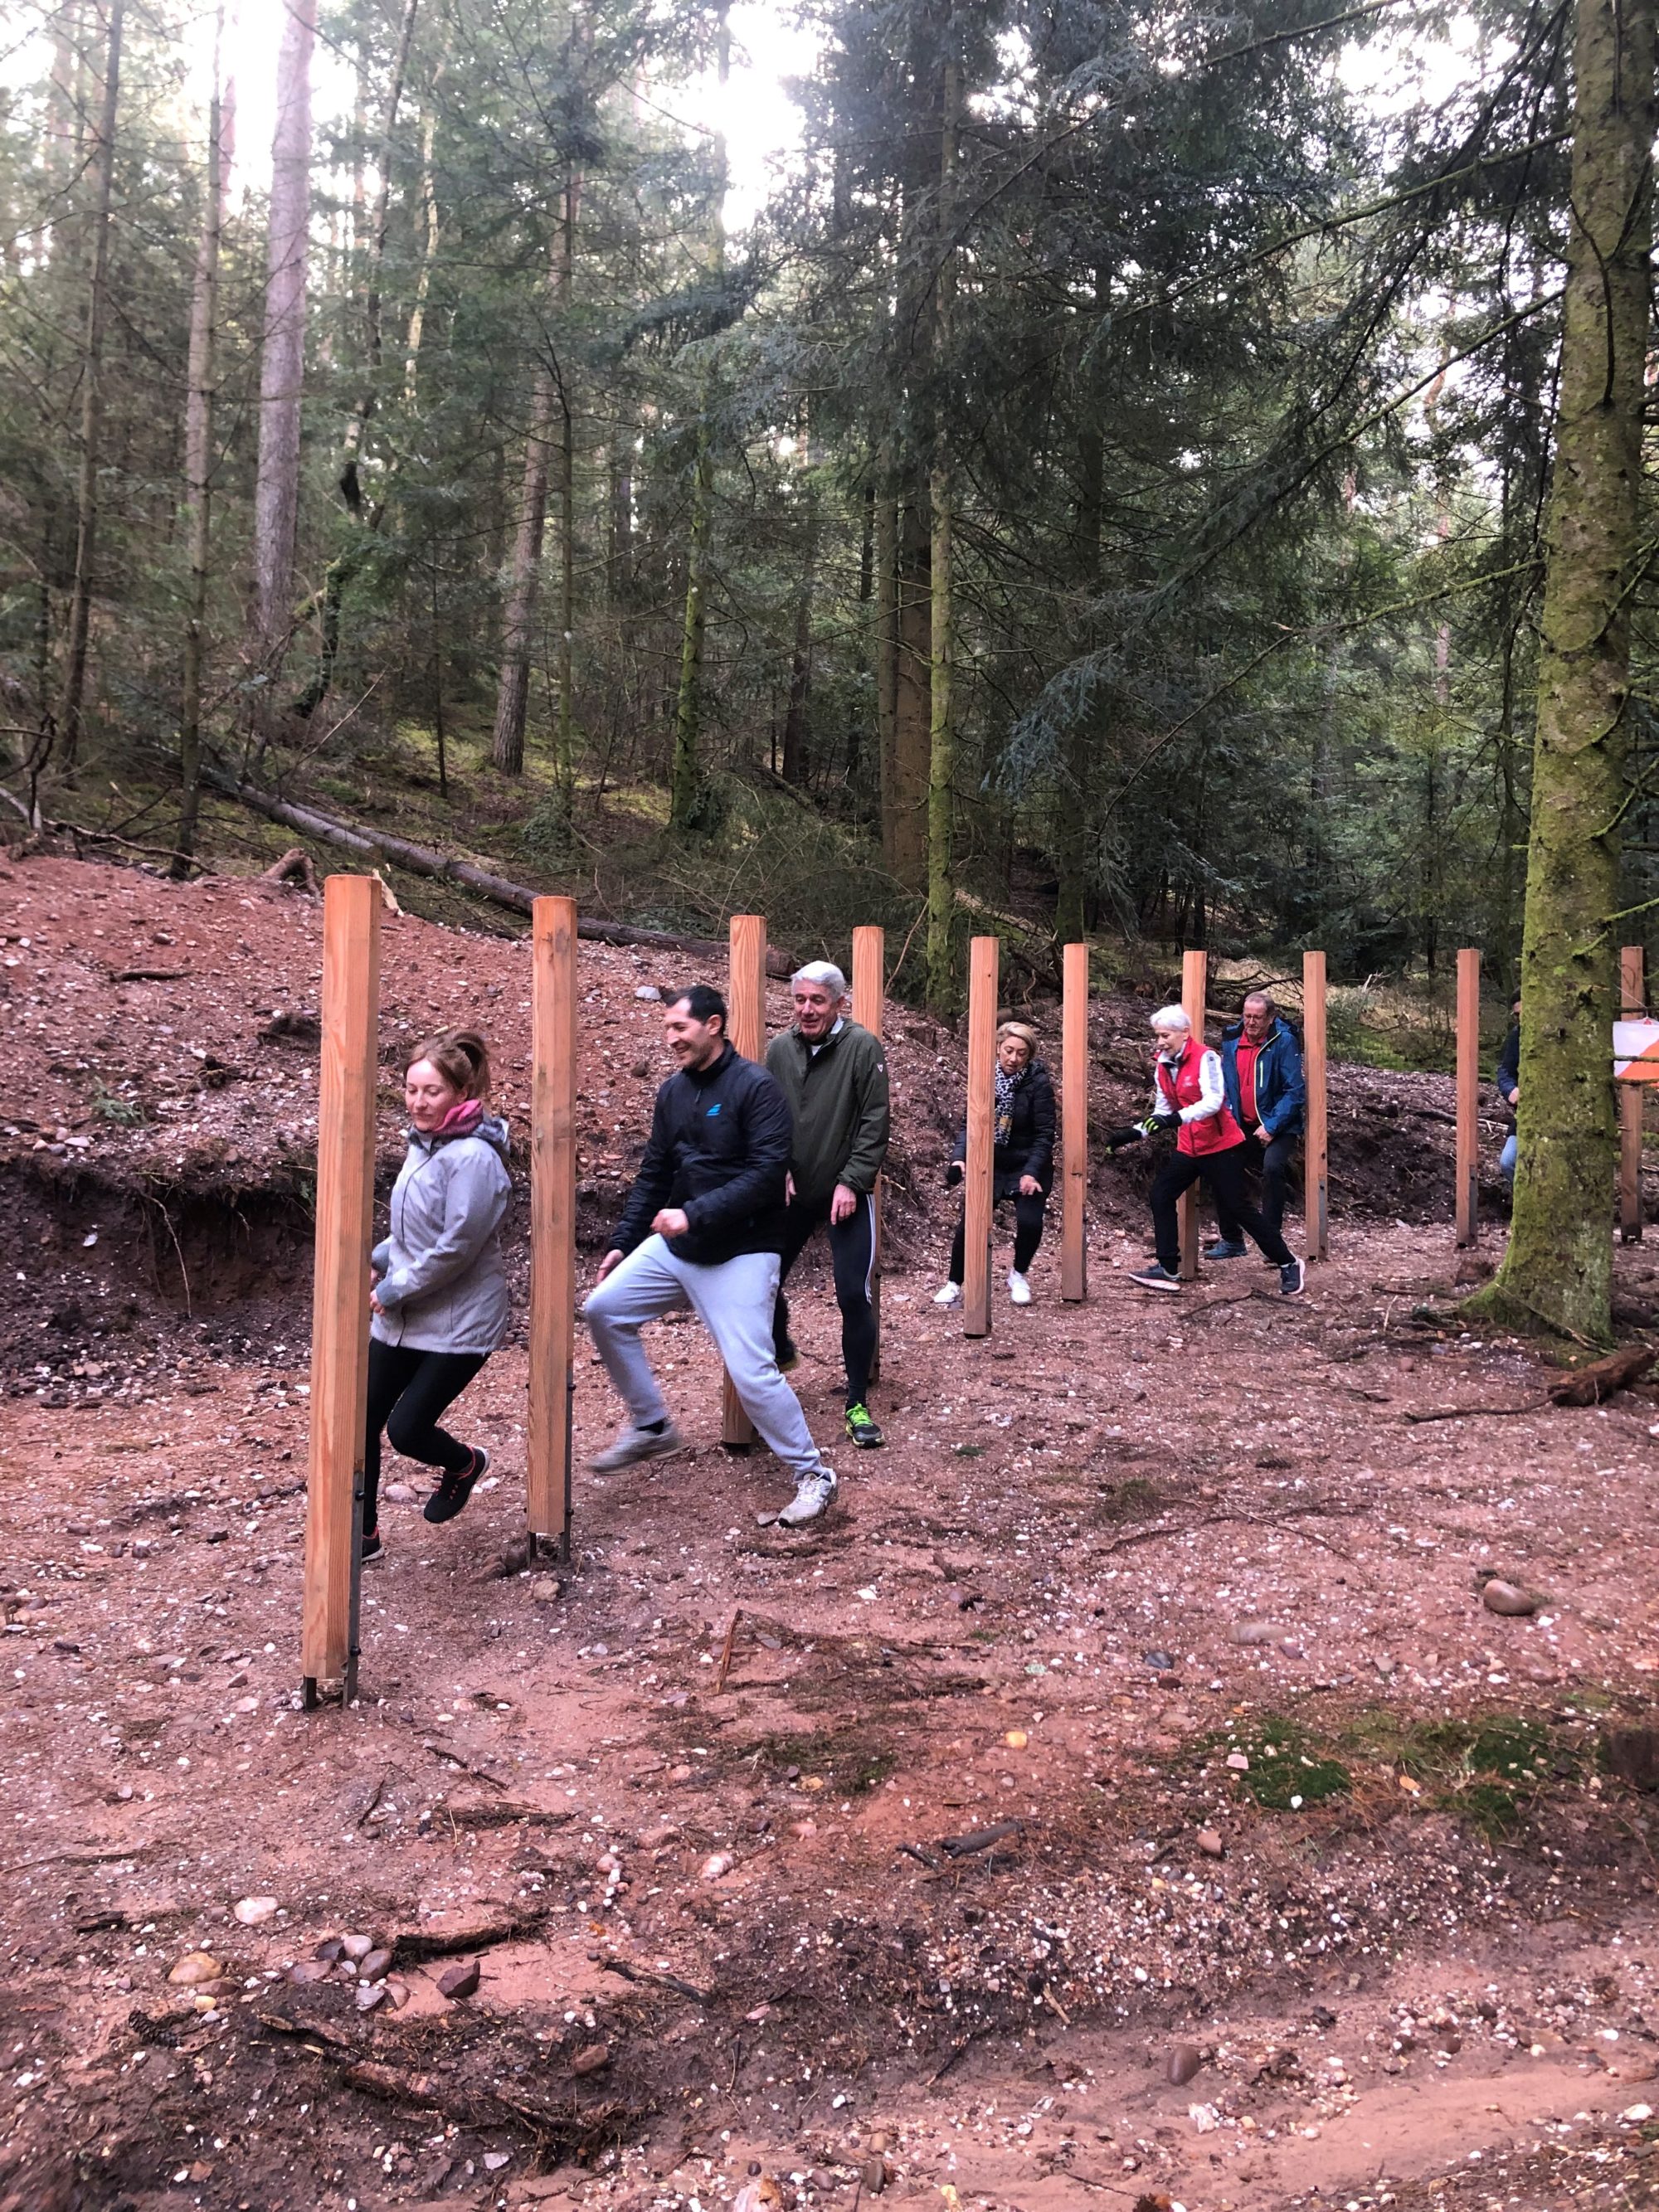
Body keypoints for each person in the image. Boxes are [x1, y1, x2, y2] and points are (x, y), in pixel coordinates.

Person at [581, 984, 838, 1528]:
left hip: (745, 1250)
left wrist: (693, 1214)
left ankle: (814, 1474)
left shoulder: (755, 1087)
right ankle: (653, 1426)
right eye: (667, 1028)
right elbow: (655, 1172)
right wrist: (623, 1241)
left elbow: (768, 1173)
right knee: (604, 1309)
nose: (670, 1037)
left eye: (680, 1027)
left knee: (751, 1371)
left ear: (714, 1025)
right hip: (681, 1245)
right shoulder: (673, 1092)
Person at [363, 1028, 512, 1560]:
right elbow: (415, 1230)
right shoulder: (422, 1146)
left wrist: (396, 1285)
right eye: (411, 1089)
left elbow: (456, 1247)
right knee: (362, 1417)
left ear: (461, 1093)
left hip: (460, 1320)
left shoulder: (474, 1157)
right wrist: (380, 1258)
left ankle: (465, 1463)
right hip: (405, 1311)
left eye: (432, 1092)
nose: (419, 1102)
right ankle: (362, 1535)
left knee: (406, 1430)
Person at [766, 960, 891, 1450]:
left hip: (846, 1192)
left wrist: (852, 1182)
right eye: (799, 1000)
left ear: (840, 1002)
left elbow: (874, 1121)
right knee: (758, 1279)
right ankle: (779, 1348)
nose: (806, 1010)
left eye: (817, 1000)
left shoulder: (862, 1047)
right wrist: (778, 1167)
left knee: (851, 1294)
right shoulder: (780, 1049)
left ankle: (856, 1402)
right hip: (793, 1191)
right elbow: (767, 1114)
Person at [1106, 1005, 1305, 1296]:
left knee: (1239, 1208)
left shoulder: (1205, 1057)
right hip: (1189, 1146)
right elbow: (1163, 1111)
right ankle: (1167, 1266)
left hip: (1221, 1145)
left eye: (1165, 1035)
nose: (1160, 1041)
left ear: (1184, 1033)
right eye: (1157, 1035)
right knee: (1161, 1194)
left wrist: (1175, 1119)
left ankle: (1288, 1263)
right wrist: (1133, 1133)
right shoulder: (1163, 1064)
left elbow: (1213, 1101)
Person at [934, 1021, 1056, 1308]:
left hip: (1028, 1163)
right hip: (991, 1162)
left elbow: (1044, 1134)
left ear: (1030, 1055)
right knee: (970, 1224)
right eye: (1009, 1050)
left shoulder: (1038, 1083)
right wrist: (960, 1157)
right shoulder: (985, 1077)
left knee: (1029, 1222)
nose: (1013, 1058)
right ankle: (954, 1283)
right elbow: (970, 1124)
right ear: (998, 1048)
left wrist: (1031, 1172)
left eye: (1021, 1053)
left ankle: (1018, 1274)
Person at [1206, 990, 1306, 1257]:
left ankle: (1271, 1244)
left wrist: (1272, 1125)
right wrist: (1228, 1119)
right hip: (1242, 1124)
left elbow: (1295, 1091)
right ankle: (1232, 1240)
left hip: (1279, 1125)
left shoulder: (1283, 1042)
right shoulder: (1231, 1040)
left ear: (1270, 1018)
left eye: (1258, 1018)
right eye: (1247, 1016)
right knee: (1218, 1163)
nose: (1251, 1022)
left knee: (1273, 1168)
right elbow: (1226, 1086)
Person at [1496, 992, 1520, 1182]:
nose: (1521, 1020)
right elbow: (1505, 1071)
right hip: (1523, 1118)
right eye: (1517, 1015)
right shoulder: (1516, 1036)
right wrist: (1510, 1090)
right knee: (1508, 1161)